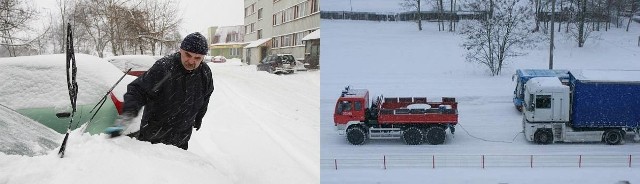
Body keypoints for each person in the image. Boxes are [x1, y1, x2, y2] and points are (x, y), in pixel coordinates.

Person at [105, 32, 214, 150]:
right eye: (188, 55)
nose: (191, 61)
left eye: (197, 58)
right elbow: (138, 90)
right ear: (181, 50)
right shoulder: (165, 67)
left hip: (181, 139)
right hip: (154, 140)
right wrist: (128, 114)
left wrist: (198, 118)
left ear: (203, 57)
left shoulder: (205, 73)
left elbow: (205, 97)